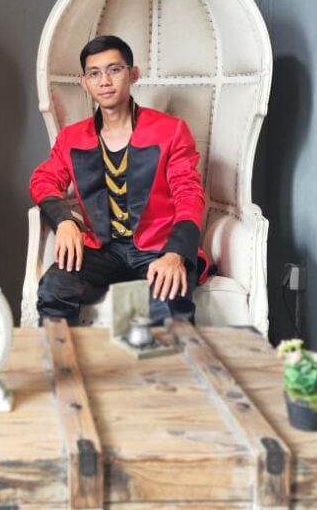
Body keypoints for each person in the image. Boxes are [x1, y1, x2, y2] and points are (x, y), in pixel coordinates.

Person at [30, 34, 206, 325]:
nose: (105, 81)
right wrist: (64, 221)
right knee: (54, 288)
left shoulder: (170, 130)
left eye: (114, 70)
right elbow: (43, 180)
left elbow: (189, 195)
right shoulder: (72, 137)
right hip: (102, 249)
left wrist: (176, 253)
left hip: (158, 246)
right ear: (84, 83)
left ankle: (162, 356)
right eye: (94, 74)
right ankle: (60, 355)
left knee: (167, 303)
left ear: (133, 74)